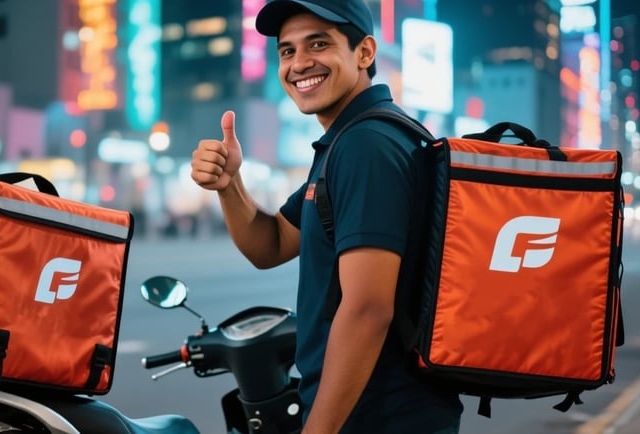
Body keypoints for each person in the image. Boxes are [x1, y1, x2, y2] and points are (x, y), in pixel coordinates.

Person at [190, 1, 463, 432]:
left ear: (365, 52)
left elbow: (368, 309)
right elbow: (273, 243)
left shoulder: (367, 146)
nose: (299, 64)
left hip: (378, 417)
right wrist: (230, 184)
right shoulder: (353, 140)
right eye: (287, 51)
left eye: (318, 44)